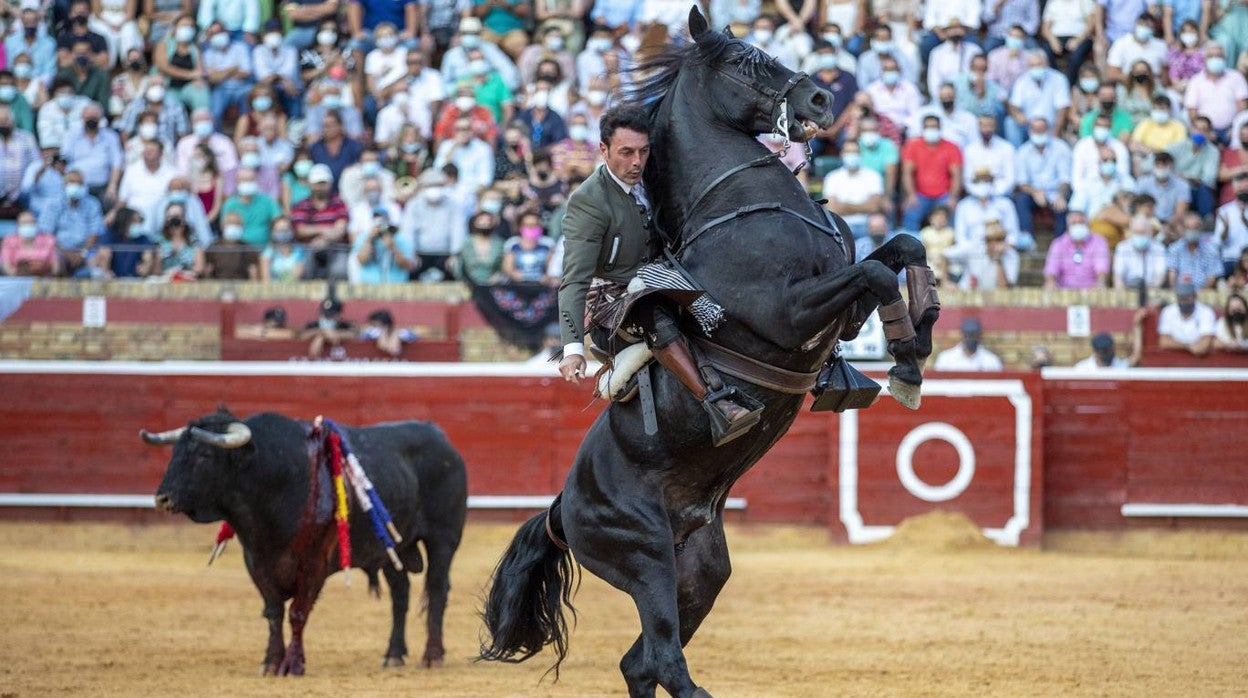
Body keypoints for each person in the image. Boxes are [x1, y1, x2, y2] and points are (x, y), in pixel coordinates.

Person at [556, 105, 763, 446]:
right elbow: (574, 280)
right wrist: (573, 348)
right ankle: (717, 404)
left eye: (643, 151)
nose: (637, 161)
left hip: (665, 275)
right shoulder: (589, 203)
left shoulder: (651, 177)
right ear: (603, 150)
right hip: (615, 301)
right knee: (653, 314)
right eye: (626, 153)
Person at [900, 114, 962, 234]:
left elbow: (957, 175)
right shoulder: (913, 146)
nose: (931, 130)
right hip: (920, 195)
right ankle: (910, 249)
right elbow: (907, 173)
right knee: (910, 212)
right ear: (923, 129)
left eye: (934, 127)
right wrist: (911, 195)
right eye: (928, 127)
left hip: (944, 196)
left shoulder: (952, 147)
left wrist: (953, 197)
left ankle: (949, 246)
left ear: (940, 128)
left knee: (952, 211)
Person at [1014, 117, 1073, 241]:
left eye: (1042, 129)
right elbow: (1022, 182)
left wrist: (1060, 195)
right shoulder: (1022, 152)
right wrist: (1035, 193)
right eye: (1036, 129)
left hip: (1057, 191)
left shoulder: (1061, 148)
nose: (1039, 132)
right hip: (1033, 192)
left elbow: (1065, 178)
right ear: (1030, 131)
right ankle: (1027, 240)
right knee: (1021, 199)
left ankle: (1060, 242)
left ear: (1048, 130)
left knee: (1063, 203)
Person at [821, 140, 882, 240]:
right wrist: (862, 207)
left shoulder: (873, 176)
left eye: (855, 152)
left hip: (866, 225)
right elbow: (832, 208)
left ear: (860, 154)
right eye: (848, 152)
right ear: (842, 154)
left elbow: (874, 207)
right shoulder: (832, 177)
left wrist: (843, 206)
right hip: (840, 226)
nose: (852, 155)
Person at [1044, 210, 1110, 289]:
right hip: (1063, 292)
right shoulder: (1058, 243)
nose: (1078, 225)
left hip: (1092, 290)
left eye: (1081, 222)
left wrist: (1100, 282)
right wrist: (1051, 282)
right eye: (1074, 223)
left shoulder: (1099, 242)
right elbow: (1051, 268)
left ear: (1088, 225)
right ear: (1068, 227)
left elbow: (1102, 267)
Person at [1158, 281, 1216, 356]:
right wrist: (1188, 346)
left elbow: (1203, 345)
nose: (1183, 302)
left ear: (1195, 297)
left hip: (1200, 361)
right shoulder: (1168, 311)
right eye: (1181, 298)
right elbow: (1164, 342)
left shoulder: (1206, 312)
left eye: (1187, 298)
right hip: (1174, 359)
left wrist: (1178, 345)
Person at [1167, 211, 1222, 289]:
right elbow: (1172, 273)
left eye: (1195, 228)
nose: (1192, 231)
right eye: (1188, 228)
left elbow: (1211, 276)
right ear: (1183, 229)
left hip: (1203, 293)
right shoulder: (1174, 248)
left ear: (1201, 228)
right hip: (1180, 292)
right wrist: (1176, 293)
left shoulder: (1211, 250)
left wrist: (1202, 294)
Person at [959, 221, 1019, 290]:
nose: (995, 244)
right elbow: (945, 256)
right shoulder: (973, 249)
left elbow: (1004, 289)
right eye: (990, 240)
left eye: (1000, 239)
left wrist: (998, 260)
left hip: (996, 297)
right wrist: (946, 282)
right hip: (968, 294)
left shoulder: (1011, 255)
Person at [1113, 216, 1168, 289]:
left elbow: (1160, 274)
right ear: (1131, 233)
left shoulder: (1159, 248)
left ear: (1150, 233)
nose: (1139, 236)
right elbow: (1118, 275)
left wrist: (1154, 287)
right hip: (1128, 290)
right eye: (1137, 232)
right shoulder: (1122, 247)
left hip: (1151, 290)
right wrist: (1121, 292)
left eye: (1143, 232)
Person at [203, 211, 260, 280]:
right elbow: (208, 272)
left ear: (242, 227)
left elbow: (253, 274)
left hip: (242, 287)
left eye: (236, 224)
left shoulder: (248, 249)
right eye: (230, 223)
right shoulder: (214, 247)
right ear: (222, 226)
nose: (233, 226)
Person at [933, 317, 1004, 371]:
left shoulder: (991, 361)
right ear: (962, 335)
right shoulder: (946, 359)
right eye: (968, 334)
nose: (971, 338)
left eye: (974, 335)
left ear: (979, 336)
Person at [1, 211, 59, 276]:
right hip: (17, 278)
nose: (28, 225)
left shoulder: (48, 240)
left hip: (43, 279)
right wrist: (17, 277)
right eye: (24, 223)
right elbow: (6, 264)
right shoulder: (9, 240)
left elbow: (55, 266)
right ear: (18, 225)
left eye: (32, 222)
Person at [1214, 172, 1248, 277]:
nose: (1242, 191)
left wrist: (1245, 221)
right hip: (1230, 260)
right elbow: (1218, 242)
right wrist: (1226, 229)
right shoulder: (1224, 211)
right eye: (1239, 188)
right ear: (1234, 189)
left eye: (1245, 188)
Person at [260, 216, 306, 282]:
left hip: (294, 288)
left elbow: (297, 275)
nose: (283, 232)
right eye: (279, 230)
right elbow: (265, 278)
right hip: (272, 289)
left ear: (292, 231)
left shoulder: (299, 250)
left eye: (286, 229)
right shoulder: (268, 251)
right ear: (273, 232)